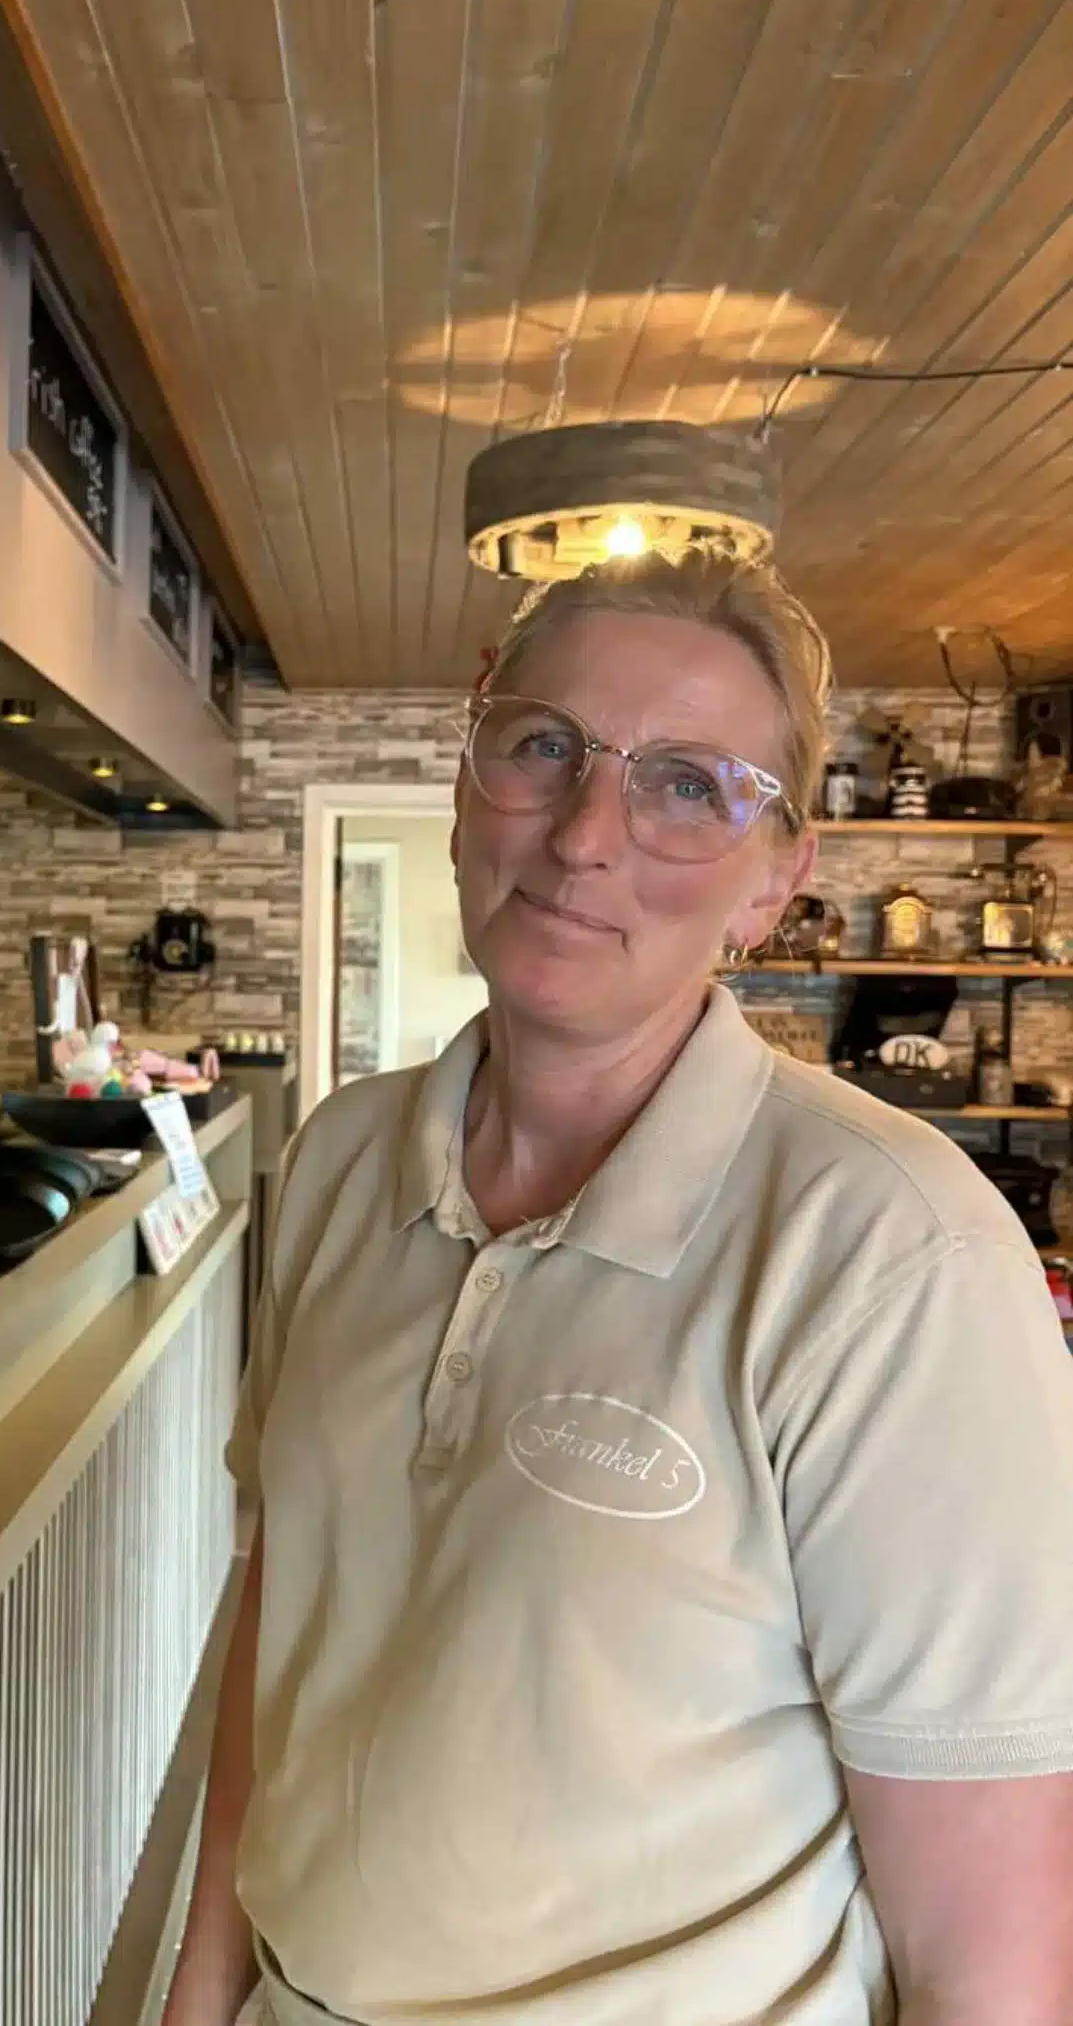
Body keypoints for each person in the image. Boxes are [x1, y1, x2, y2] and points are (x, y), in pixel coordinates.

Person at [160, 549, 1073, 2026]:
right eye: (545, 746)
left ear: (775, 881)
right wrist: (197, 1992)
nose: (587, 834)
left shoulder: (895, 1256)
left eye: (689, 786)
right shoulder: (336, 1161)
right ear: (465, 784)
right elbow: (288, 1620)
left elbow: (992, 1950)